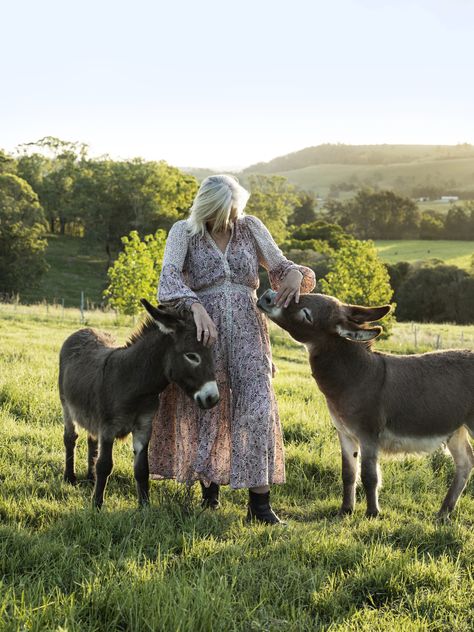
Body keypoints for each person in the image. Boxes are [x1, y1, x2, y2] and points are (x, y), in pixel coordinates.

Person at [149, 174, 315, 524]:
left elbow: (281, 266)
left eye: (233, 211)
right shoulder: (184, 232)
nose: (229, 219)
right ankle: (210, 490)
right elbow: (168, 279)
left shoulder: (250, 227)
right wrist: (195, 306)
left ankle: (260, 506)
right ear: (206, 209)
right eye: (222, 213)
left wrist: (296, 275)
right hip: (204, 332)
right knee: (209, 407)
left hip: (249, 332)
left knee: (258, 407)